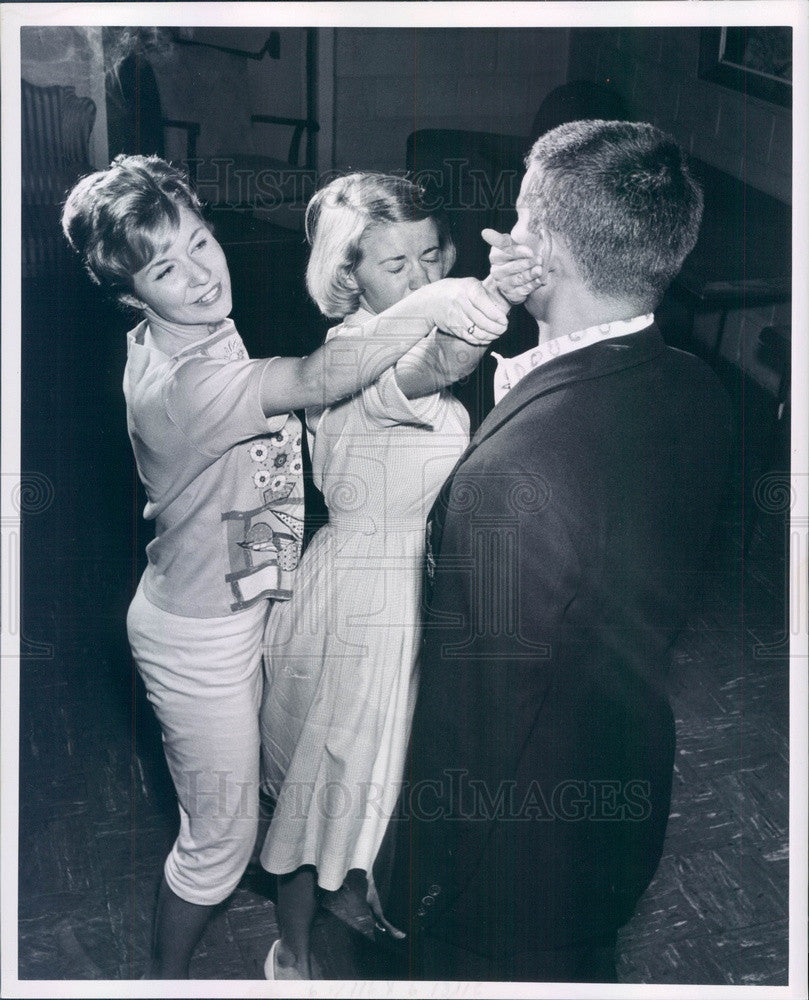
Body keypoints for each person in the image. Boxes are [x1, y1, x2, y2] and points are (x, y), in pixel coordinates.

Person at [60, 155, 508, 979]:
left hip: (256, 593)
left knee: (291, 778)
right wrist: (445, 297)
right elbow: (311, 377)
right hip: (200, 638)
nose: (199, 275)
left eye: (200, 242)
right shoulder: (190, 381)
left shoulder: (189, 325)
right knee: (217, 849)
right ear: (130, 292)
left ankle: (309, 924)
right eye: (166, 267)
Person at [379, 120, 733, 981]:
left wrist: (409, 881)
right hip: (617, 802)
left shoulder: (510, 478)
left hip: (504, 875)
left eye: (518, 220)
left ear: (547, 254)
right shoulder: (701, 389)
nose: (503, 235)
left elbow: (475, 726)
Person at [256, 172, 530, 980]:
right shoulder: (351, 356)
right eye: (392, 263)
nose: (417, 276)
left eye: (427, 253)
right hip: (367, 611)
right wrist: (484, 295)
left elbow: (437, 347)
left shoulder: (391, 340)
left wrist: (485, 292)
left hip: (400, 587)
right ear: (348, 276)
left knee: (361, 789)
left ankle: (338, 935)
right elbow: (441, 355)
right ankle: (295, 957)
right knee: (327, 793)